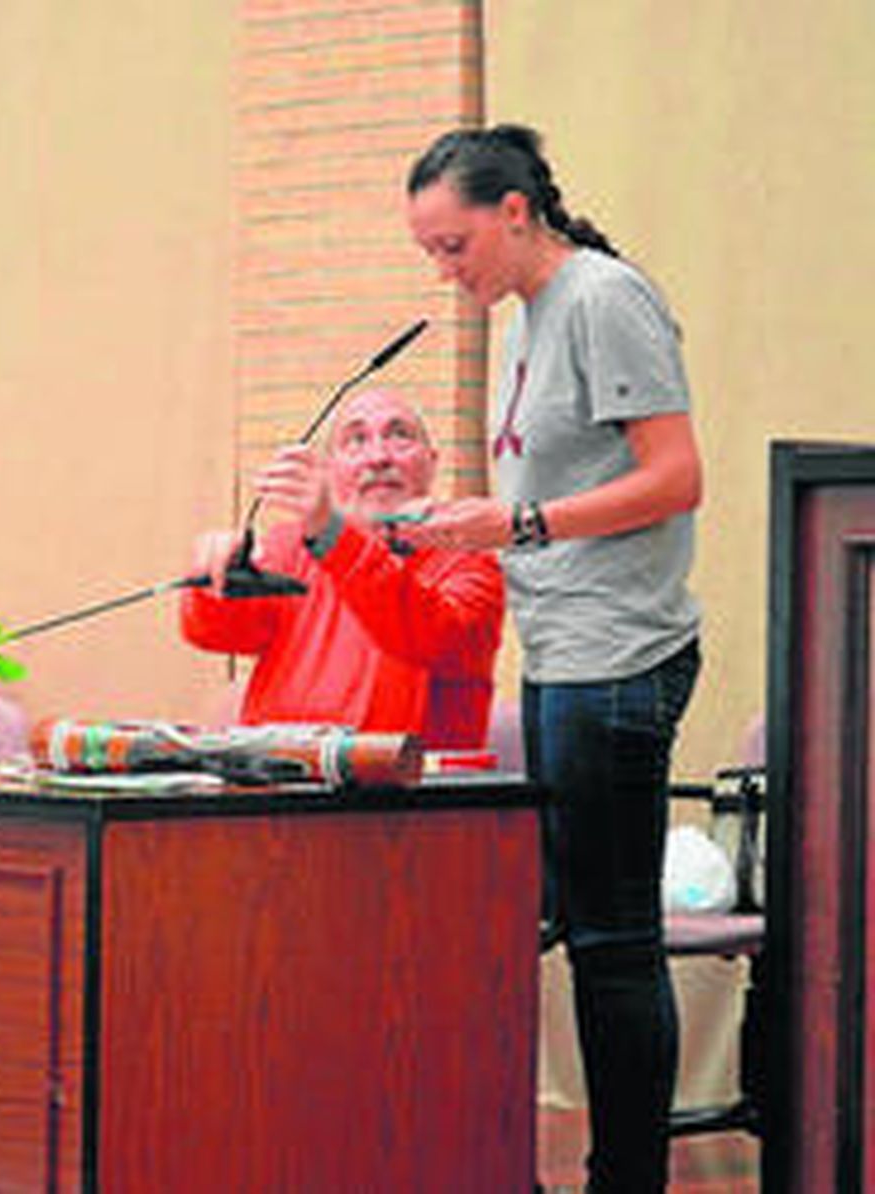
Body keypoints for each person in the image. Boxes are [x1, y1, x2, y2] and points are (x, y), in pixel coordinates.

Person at [402, 124, 702, 1193]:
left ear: (516, 212)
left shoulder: (602, 299)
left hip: (618, 652)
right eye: (430, 253)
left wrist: (519, 526)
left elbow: (675, 478)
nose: (445, 272)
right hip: (564, 647)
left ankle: (628, 1181)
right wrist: (466, 525)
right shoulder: (528, 317)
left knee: (614, 943)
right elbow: (551, 490)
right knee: (586, 932)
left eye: (454, 246)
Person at [179, 388, 503, 749]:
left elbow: (438, 635)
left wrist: (332, 536)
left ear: (432, 461)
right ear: (330, 470)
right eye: (356, 440)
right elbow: (219, 633)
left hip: (412, 781)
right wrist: (214, 578)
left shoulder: (467, 556)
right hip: (285, 773)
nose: (378, 457)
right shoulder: (289, 545)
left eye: (399, 435)